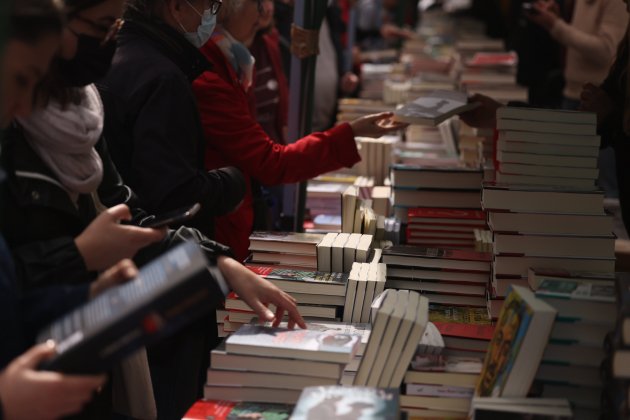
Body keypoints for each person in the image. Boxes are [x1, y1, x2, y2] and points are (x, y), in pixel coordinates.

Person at [4, 0, 305, 417]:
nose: (110, 40)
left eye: (117, 25)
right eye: (103, 25)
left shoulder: (82, 115)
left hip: (73, 367)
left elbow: (129, 213)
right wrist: (79, 259)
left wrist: (219, 264)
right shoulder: (18, 138)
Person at [193, 0, 406, 261]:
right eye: (257, 3)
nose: (263, 12)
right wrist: (350, 132)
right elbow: (271, 161)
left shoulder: (239, 54)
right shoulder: (210, 74)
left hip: (242, 209)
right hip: (225, 224)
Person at [99, 0, 246, 242]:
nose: (211, 17)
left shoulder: (111, 53)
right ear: (177, 7)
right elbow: (174, 193)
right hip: (152, 250)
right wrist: (229, 183)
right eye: (211, 5)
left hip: (120, 236)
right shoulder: (163, 78)